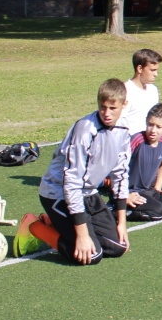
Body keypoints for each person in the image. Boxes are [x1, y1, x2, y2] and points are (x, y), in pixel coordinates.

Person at [12, 79, 131, 264]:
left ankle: (53, 222)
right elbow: (72, 183)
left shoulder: (124, 129)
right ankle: (34, 226)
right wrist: (82, 234)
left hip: (88, 193)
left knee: (117, 247)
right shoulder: (85, 130)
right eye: (102, 107)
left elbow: (121, 174)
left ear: (124, 105)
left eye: (112, 108)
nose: (107, 113)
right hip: (59, 193)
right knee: (91, 256)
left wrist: (122, 223)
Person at [125, 103, 162, 222]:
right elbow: (117, 165)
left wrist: (158, 188)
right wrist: (124, 195)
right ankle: (117, 210)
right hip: (130, 192)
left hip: (148, 190)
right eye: (150, 124)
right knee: (158, 212)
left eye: (158, 126)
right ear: (146, 121)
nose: (153, 130)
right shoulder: (136, 140)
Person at [118, 49, 162, 135]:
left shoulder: (153, 90)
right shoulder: (126, 91)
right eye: (152, 70)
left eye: (156, 70)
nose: (156, 74)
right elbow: (119, 121)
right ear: (140, 68)